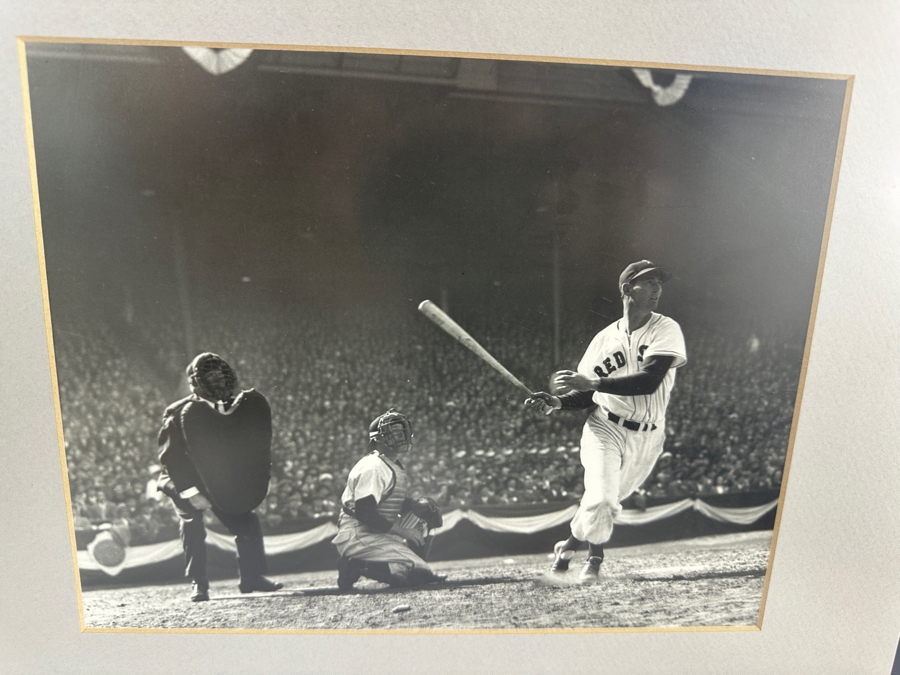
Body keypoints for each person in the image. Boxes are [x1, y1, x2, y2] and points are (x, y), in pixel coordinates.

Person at [524, 260, 687, 583]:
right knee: (600, 499)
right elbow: (585, 395)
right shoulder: (602, 341)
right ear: (627, 290)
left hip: (649, 437)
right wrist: (557, 402)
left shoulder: (666, 328)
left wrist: (593, 385)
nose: (657, 287)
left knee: (602, 502)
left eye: (659, 282)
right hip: (605, 428)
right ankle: (595, 561)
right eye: (648, 282)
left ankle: (567, 546)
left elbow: (649, 380)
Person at [157, 352, 283, 601]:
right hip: (183, 479)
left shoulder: (240, 408)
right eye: (210, 377)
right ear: (197, 382)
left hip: (217, 480)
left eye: (219, 375)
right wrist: (191, 493)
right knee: (192, 523)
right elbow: (171, 457)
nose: (217, 381)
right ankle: (198, 583)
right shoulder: (178, 411)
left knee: (246, 522)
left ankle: (252, 577)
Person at [332, 409, 446, 592]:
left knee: (426, 510)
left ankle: (407, 565)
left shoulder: (390, 464)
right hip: (358, 533)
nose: (400, 436)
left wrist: (414, 504)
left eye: (401, 432)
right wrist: (402, 532)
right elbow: (364, 512)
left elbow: (387, 501)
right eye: (393, 433)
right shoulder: (374, 467)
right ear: (377, 439)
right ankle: (355, 564)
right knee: (414, 572)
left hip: (376, 529)